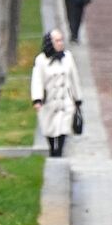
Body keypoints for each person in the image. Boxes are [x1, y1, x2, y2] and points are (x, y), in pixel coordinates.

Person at [31, 30, 82, 158]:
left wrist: (77, 98)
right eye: (57, 41)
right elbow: (37, 80)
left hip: (65, 102)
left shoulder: (68, 57)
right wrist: (37, 99)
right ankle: (53, 151)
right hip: (49, 102)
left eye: (61, 40)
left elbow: (74, 78)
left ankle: (58, 152)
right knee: (50, 129)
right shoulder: (41, 60)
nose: (61, 43)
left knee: (63, 128)